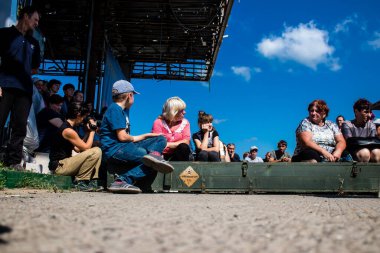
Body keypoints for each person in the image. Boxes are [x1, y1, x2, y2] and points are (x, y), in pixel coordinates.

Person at [100, 80, 174, 194]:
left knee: (160, 139)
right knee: (153, 163)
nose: (134, 98)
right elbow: (123, 137)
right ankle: (122, 180)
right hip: (115, 150)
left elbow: (126, 138)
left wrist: (147, 136)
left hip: (123, 147)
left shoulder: (118, 110)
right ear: (129, 95)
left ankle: (154, 155)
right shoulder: (115, 109)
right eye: (133, 95)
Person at [0, 6, 41, 170]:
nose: (37, 23)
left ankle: (13, 161)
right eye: (35, 19)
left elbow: (35, 67)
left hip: (24, 91)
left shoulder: (34, 43)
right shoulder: (4, 34)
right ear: (25, 16)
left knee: (19, 126)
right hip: (5, 86)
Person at [49, 102, 102, 191]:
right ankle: (81, 182)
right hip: (59, 167)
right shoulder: (67, 130)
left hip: (65, 164)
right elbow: (86, 148)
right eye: (83, 116)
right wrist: (93, 132)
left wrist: (87, 133)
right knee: (96, 151)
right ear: (78, 114)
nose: (83, 119)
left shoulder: (69, 128)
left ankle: (92, 181)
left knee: (96, 151)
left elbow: (78, 149)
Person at [152, 97, 192, 161]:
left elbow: (186, 141)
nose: (185, 112)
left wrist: (167, 144)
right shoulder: (158, 122)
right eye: (181, 110)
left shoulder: (185, 122)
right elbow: (156, 142)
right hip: (161, 154)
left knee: (183, 147)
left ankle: (181, 169)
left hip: (178, 155)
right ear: (173, 112)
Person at [341, 99, 380, 163]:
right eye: (366, 112)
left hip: (369, 152)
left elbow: (373, 143)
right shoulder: (347, 124)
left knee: (377, 152)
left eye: (370, 112)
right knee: (364, 153)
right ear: (356, 112)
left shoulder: (371, 125)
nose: (369, 115)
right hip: (352, 153)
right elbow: (350, 142)